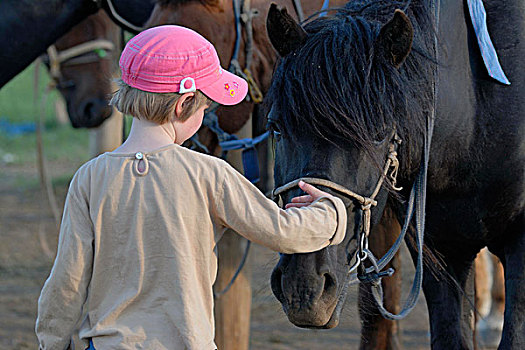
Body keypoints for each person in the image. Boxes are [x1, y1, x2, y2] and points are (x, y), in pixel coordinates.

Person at [35, 25, 347, 350]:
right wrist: (332, 212)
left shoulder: (89, 177)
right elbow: (283, 231)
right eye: (203, 108)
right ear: (183, 104)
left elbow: (66, 283)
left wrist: (53, 343)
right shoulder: (207, 173)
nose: (203, 116)